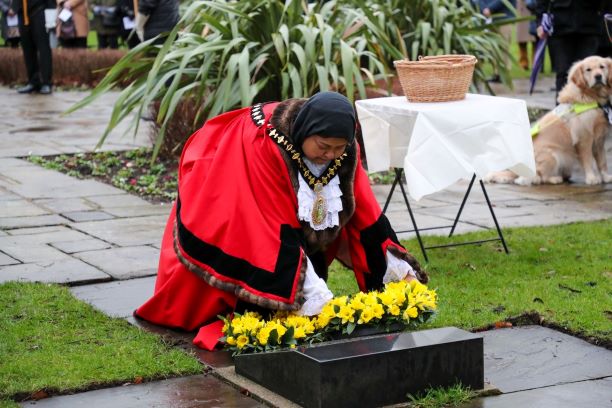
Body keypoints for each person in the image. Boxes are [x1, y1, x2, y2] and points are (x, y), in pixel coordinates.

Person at [135, 92, 428, 350]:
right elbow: (271, 228)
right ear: (305, 132)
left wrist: (401, 274)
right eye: (324, 147)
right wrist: (318, 300)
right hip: (229, 181)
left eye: (339, 149)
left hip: (267, 193)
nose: (331, 156)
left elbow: (366, 213)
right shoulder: (263, 144)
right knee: (248, 258)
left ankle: (292, 295)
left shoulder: (344, 148)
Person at [534, 0, 606, 98]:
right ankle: (562, 109)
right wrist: (540, 22)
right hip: (560, 26)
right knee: (563, 73)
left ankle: (590, 108)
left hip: (589, 25)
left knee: (590, 71)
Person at [10, 0, 54, 93]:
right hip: (23, 12)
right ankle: (33, 81)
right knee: (27, 48)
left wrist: (51, 14)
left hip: (39, 10)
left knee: (43, 48)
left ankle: (46, 82)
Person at [478, 0, 517, 82]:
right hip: (491, 18)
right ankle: (497, 73)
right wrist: (484, 9)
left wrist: (490, 9)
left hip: (504, 17)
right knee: (494, 48)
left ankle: (503, 75)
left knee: (503, 47)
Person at [516, 0, 537, 70]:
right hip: (521, 14)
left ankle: (535, 63)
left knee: (535, 41)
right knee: (521, 41)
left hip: (533, 12)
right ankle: (523, 63)